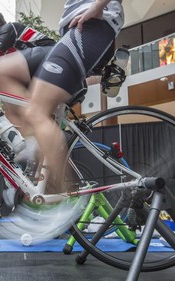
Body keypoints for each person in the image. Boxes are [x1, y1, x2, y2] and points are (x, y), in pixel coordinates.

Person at [23, 0, 124, 191]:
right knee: (40, 115)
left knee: (35, 111)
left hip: (90, 25)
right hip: (81, 28)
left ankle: (60, 204)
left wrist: (98, 6)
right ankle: (53, 193)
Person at [0, 8, 56, 131]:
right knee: (12, 115)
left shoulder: (9, 29)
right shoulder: (7, 53)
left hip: (52, 59)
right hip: (48, 72)